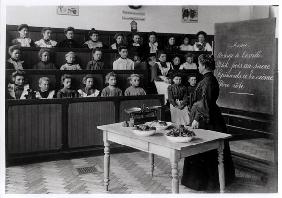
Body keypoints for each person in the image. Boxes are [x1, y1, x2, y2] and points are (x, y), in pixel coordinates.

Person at [181, 54, 235, 191]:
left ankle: (206, 183)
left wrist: (196, 119)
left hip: (207, 120)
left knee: (204, 148)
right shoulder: (207, 79)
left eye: (199, 64)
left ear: (204, 65)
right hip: (209, 116)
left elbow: (206, 103)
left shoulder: (208, 81)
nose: (198, 66)